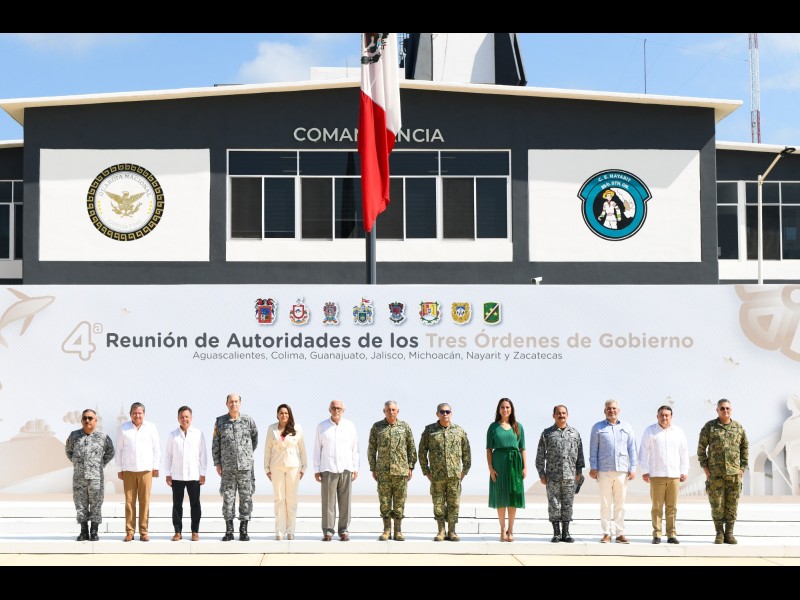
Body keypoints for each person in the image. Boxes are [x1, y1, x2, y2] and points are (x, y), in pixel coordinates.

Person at [698, 398, 749, 544]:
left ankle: (729, 533)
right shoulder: (710, 427)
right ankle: (719, 533)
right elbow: (701, 448)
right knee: (717, 505)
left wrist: (742, 467)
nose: (725, 410)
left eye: (727, 408)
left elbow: (745, 447)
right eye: (722, 408)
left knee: (732, 505)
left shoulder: (738, 427)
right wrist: (705, 467)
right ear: (717, 410)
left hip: (734, 475)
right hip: (715, 474)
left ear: (731, 410)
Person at [418, 402, 472, 542]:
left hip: (454, 475)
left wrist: (463, 472)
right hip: (437, 476)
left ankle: (452, 531)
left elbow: (466, 452)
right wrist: (426, 471)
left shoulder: (459, 431)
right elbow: (422, 452)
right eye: (442, 412)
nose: (445, 414)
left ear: (451, 413)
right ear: (437, 414)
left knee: (454, 504)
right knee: (438, 504)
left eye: (447, 411)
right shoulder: (429, 431)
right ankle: (441, 531)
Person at [638, 405, 689, 544]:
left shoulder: (678, 431)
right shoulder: (650, 431)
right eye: (661, 415)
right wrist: (644, 471)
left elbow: (683, 452)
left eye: (667, 415)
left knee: (672, 507)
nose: (664, 417)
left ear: (671, 417)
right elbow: (643, 451)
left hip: (674, 475)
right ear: (657, 416)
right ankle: (657, 534)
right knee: (657, 507)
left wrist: (684, 471)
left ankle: (671, 534)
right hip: (656, 475)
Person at [589, 399, 637, 544]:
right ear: (605, 411)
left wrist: (633, 468)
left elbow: (632, 448)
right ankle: (606, 533)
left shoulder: (627, 427)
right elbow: (593, 449)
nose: (612, 410)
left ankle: (620, 533)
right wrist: (593, 467)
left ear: (619, 410)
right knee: (605, 503)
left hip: (622, 470)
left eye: (614, 408)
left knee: (620, 504)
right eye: (609, 408)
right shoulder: (597, 427)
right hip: (604, 470)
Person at [368, 400, 417, 541]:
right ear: (384, 411)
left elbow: (411, 447)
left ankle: (398, 531)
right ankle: (386, 530)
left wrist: (410, 466)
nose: (391, 412)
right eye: (388, 409)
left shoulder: (404, 427)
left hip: (401, 471)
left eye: (393, 409)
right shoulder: (377, 427)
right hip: (383, 471)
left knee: (399, 501)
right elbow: (371, 449)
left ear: (398, 411)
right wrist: (373, 468)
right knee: (384, 502)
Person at [212, 393, 258, 541]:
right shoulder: (220, 422)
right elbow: (216, 443)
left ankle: (243, 530)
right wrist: (218, 463)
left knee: (246, 498)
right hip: (228, 468)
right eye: (231, 401)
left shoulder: (248, 421)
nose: (234, 404)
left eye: (236, 401)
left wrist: (246, 454)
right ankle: (229, 530)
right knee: (228, 498)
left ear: (240, 403)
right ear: (227, 404)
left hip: (245, 468)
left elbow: (254, 439)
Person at [535, 404, 585, 543]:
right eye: (558, 413)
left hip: (570, 475)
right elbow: (540, 455)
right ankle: (556, 533)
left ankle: (566, 533)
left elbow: (580, 454)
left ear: (567, 415)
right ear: (554, 415)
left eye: (564, 413)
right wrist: (541, 473)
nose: (561, 415)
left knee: (568, 504)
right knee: (554, 504)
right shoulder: (547, 433)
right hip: (552, 476)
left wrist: (579, 471)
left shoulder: (575, 433)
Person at [313, 399, 360, 541]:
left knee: (345, 502)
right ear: (329, 410)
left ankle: (343, 530)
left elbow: (355, 448)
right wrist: (316, 469)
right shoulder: (322, 426)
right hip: (328, 468)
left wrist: (355, 467)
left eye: (339, 408)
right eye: (333, 408)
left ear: (343, 410)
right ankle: (328, 531)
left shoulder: (350, 426)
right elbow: (317, 449)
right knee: (328, 502)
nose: (336, 410)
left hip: (346, 468)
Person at [65, 409, 115, 541]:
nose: (87, 420)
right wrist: (77, 463)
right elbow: (68, 451)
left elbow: (110, 452)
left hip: (96, 477)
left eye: (90, 418)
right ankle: (83, 531)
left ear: (95, 420)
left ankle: (94, 531)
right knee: (80, 504)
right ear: (81, 420)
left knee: (96, 504)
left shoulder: (103, 437)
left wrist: (100, 463)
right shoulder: (74, 436)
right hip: (79, 477)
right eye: (85, 418)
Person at [116, 402, 160, 542]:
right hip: (128, 470)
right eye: (134, 413)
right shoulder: (124, 428)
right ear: (130, 414)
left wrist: (156, 467)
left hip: (146, 470)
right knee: (129, 502)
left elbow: (156, 448)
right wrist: (119, 469)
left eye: (140, 413)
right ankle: (130, 531)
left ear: (144, 414)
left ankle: (143, 531)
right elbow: (119, 450)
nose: (137, 415)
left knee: (144, 501)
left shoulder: (151, 427)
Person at [163, 405, 207, 542]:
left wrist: (203, 472)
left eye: (187, 416)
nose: (184, 419)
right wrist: (167, 473)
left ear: (191, 418)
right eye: (182, 417)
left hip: (194, 475)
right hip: (177, 475)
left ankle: (195, 531)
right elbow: (168, 455)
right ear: (178, 418)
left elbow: (203, 454)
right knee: (177, 505)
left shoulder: (198, 433)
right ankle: (177, 531)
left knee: (195, 504)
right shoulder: (172, 435)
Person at [264, 403, 307, 541]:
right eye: (281, 413)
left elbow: (302, 448)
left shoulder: (297, 428)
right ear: (277, 415)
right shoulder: (272, 429)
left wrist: (304, 467)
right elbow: (267, 448)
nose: (284, 415)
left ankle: (290, 530)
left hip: (293, 466)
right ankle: (279, 531)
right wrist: (266, 468)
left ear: (290, 415)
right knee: (279, 498)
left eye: (286, 413)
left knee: (291, 499)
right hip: (276, 466)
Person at [486, 397, 527, 542]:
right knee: (501, 495)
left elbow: (522, 448)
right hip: (499, 463)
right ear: (499, 410)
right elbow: (489, 449)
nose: (505, 409)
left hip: (515, 464)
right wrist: (491, 468)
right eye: (502, 407)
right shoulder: (493, 427)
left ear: (511, 409)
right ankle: (502, 528)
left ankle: (511, 529)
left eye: (507, 407)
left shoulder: (518, 426)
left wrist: (525, 467)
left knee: (513, 496)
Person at [769, 394, 800, 496]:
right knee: (793, 480)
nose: (787, 403)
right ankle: (796, 500)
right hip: (791, 453)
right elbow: (783, 441)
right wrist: (773, 454)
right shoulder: (787, 422)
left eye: (788, 401)